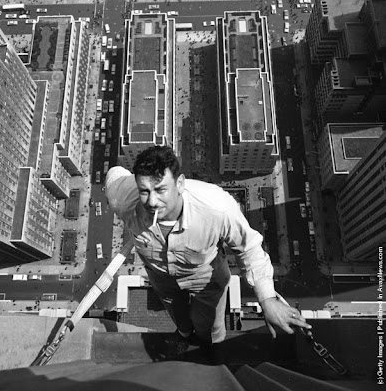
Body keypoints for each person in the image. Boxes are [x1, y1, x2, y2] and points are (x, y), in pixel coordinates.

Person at [106, 145, 311, 364]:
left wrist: (267, 299)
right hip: (161, 277)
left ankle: (211, 345)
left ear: (180, 183)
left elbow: (249, 248)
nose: (152, 201)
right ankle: (184, 333)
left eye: (161, 190)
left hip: (206, 278)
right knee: (177, 313)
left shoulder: (217, 208)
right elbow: (114, 175)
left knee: (210, 324)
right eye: (144, 191)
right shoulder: (124, 198)